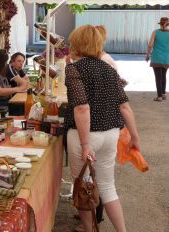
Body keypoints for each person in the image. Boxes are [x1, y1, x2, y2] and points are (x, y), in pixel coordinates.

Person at [65, 25, 140, 232]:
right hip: (110, 133)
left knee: (82, 186)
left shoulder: (74, 68)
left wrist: (85, 144)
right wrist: (134, 136)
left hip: (85, 136)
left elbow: (81, 108)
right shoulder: (108, 68)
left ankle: (89, 230)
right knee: (108, 187)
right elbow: (124, 106)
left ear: (78, 44)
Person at [146, 17, 169, 102]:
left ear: (160, 24)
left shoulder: (155, 32)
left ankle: (159, 96)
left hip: (156, 58)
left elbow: (150, 45)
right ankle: (163, 94)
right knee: (163, 75)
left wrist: (147, 55)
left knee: (158, 77)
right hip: (166, 58)